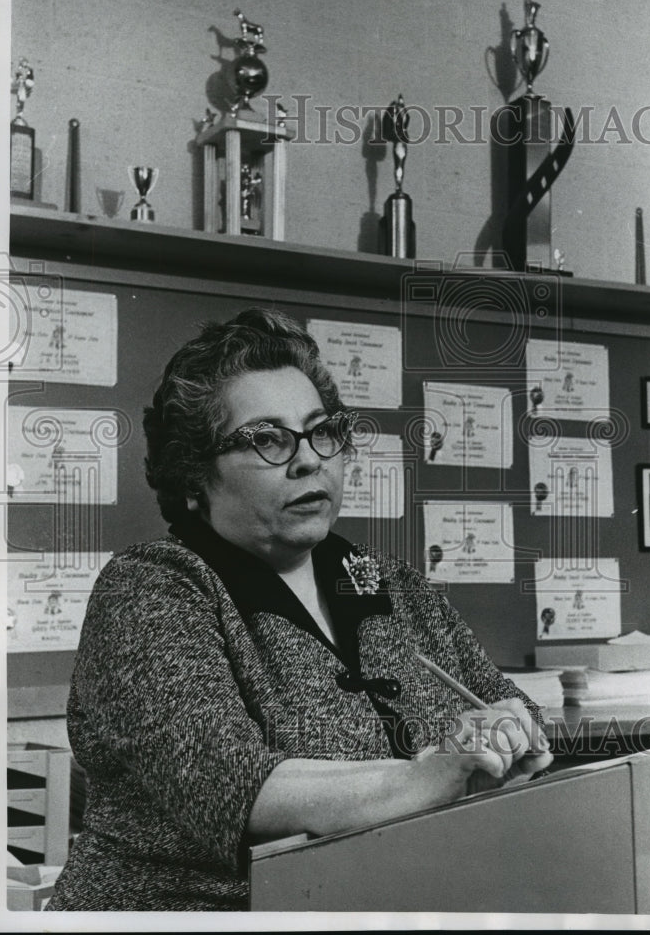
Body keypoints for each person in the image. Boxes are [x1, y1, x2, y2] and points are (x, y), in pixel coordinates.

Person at [46, 307, 552, 912]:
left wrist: (510, 736)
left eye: (322, 431)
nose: (309, 459)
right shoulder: (151, 589)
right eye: (267, 439)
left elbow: (502, 705)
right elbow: (229, 785)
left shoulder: (390, 583)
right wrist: (434, 773)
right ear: (193, 473)